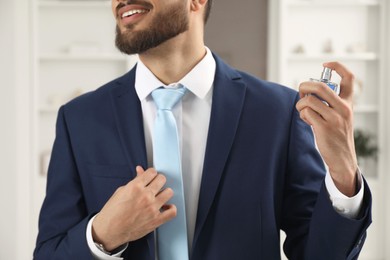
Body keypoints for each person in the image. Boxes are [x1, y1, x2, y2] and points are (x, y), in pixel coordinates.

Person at [34, 0, 372, 259]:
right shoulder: (80, 119)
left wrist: (343, 169)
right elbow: (49, 252)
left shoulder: (277, 112)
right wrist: (103, 234)